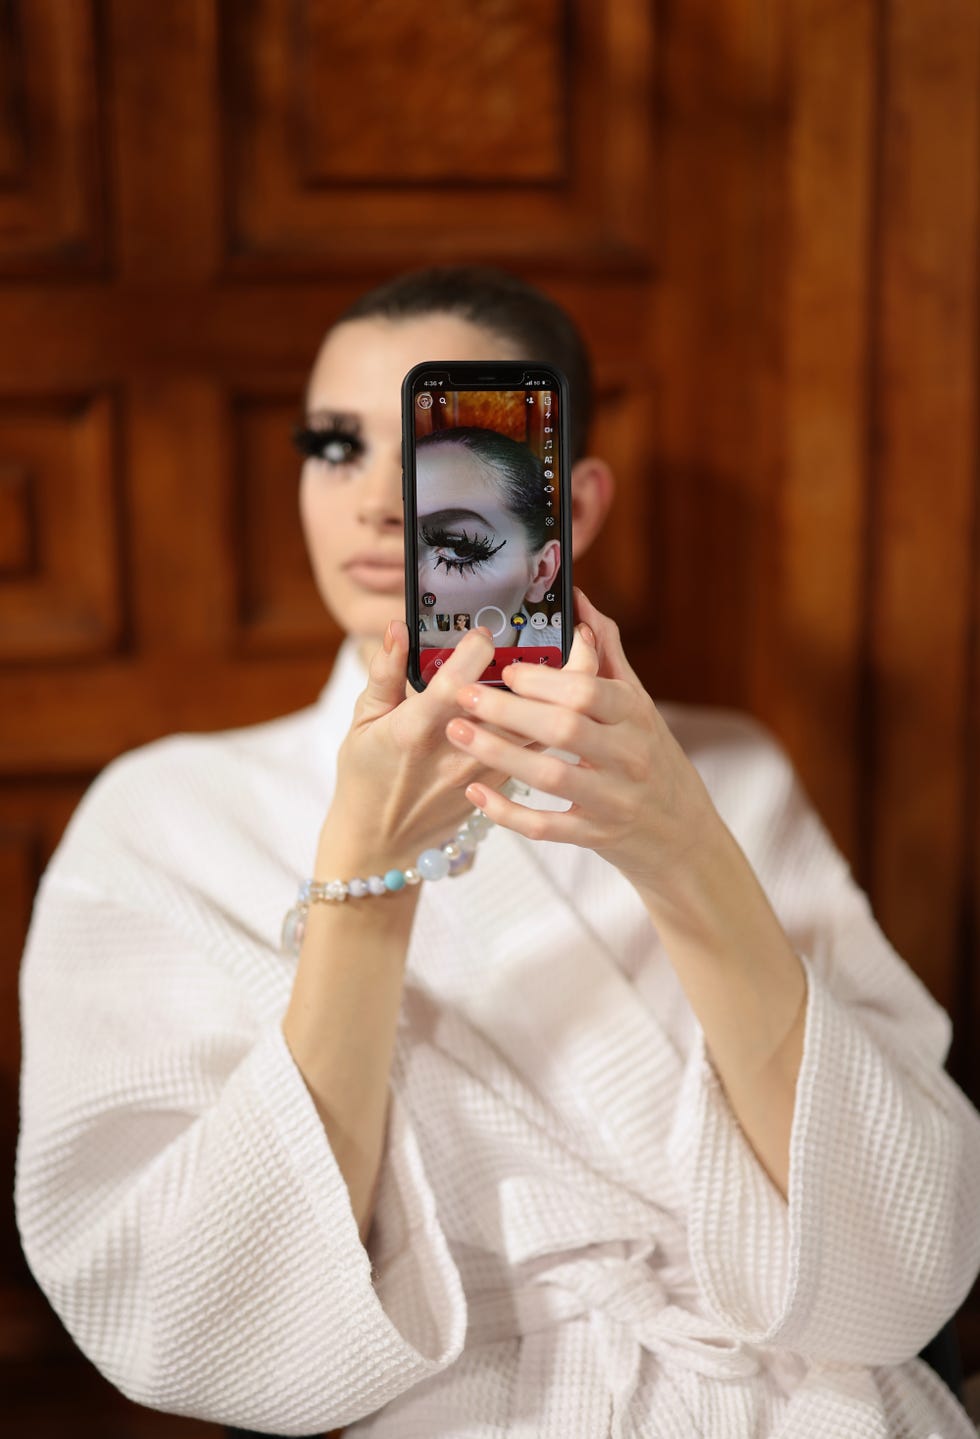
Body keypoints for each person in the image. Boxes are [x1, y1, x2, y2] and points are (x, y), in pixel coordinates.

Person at [14, 265, 980, 1438]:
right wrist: (362, 883)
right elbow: (183, 1310)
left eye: (440, 448)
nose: (379, 504)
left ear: (567, 508)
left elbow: (908, 1250)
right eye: (333, 446)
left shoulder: (724, 772)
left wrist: (682, 848)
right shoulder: (166, 814)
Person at [416, 426, 562, 650]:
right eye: (400, 549)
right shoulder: (365, 668)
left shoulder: (587, 668)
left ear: (542, 570)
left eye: (460, 550)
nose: (411, 590)